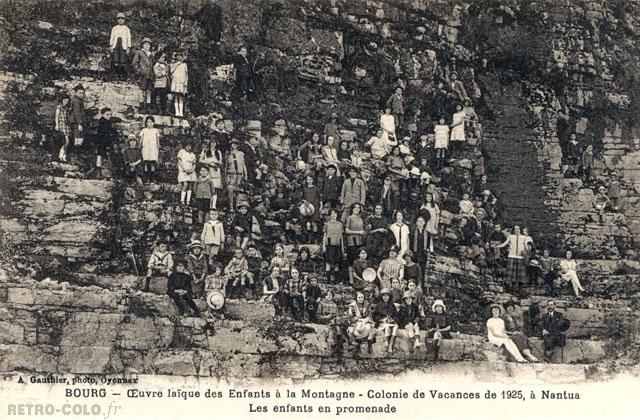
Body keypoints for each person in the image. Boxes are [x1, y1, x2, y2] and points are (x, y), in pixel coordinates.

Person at [496, 225, 532, 295]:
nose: (517, 230)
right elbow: (505, 244)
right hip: (512, 256)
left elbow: (527, 246)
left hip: (520, 257)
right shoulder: (511, 236)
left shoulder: (524, 237)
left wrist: (527, 250)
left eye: (518, 229)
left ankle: (519, 288)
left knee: (520, 274)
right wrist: (497, 246)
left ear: (520, 230)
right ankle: (512, 288)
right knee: (512, 274)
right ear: (514, 230)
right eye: (515, 229)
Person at [199, 140, 223, 210]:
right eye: (211, 142)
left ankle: (213, 205)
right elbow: (200, 160)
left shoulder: (218, 152)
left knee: (214, 189)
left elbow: (221, 162)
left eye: (214, 142)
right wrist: (209, 162)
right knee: (209, 188)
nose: (213, 144)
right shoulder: (205, 151)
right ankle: (208, 205)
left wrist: (216, 162)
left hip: (216, 170)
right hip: (208, 170)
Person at [373, 288, 399, 353]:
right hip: (382, 323)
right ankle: (389, 346)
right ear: (381, 297)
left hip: (390, 322)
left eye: (387, 296)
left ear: (389, 297)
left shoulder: (392, 305)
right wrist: (382, 319)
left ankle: (390, 345)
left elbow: (396, 315)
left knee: (396, 326)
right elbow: (374, 316)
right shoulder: (378, 306)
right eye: (384, 296)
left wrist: (392, 319)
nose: (385, 297)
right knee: (387, 327)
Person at [131, 38, 154, 112]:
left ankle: (148, 106)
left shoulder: (151, 55)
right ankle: (141, 106)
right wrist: (139, 71)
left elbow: (153, 65)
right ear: (142, 45)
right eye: (145, 44)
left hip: (150, 75)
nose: (147, 46)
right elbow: (135, 63)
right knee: (142, 90)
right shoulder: (139, 53)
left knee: (148, 91)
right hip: (142, 75)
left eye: (148, 44)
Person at [94, 107, 118, 178]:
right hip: (102, 141)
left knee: (101, 156)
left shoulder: (107, 122)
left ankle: (101, 173)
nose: (109, 116)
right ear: (102, 114)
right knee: (101, 156)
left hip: (104, 141)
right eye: (107, 114)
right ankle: (100, 173)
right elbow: (104, 133)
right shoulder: (102, 122)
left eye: (110, 114)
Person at [225, 139, 248, 209]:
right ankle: (231, 207)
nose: (234, 145)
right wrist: (225, 177)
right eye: (233, 143)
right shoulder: (228, 154)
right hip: (231, 174)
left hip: (239, 175)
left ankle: (237, 206)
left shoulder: (241, 153)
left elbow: (244, 165)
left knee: (239, 191)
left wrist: (246, 175)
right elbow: (225, 166)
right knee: (230, 190)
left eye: (236, 143)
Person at [323, 209, 344, 283]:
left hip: (337, 245)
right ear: (330, 215)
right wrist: (324, 246)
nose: (333, 215)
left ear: (337, 215)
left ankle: (335, 279)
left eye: (335, 213)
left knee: (336, 263)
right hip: (329, 244)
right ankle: (328, 279)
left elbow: (341, 236)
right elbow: (325, 235)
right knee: (328, 262)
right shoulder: (327, 224)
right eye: (332, 213)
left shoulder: (340, 224)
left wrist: (342, 247)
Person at [109, 12, 131, 80]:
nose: (120, 20)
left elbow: (129, 38)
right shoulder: (114, 28)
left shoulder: (126, 29)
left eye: (122, 19)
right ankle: (116, 75)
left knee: (122, 62)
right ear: (117, 20)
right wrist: (111, 46)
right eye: (119, 19)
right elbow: (112, 37)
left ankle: (123, 75)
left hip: (123, 47)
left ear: (124, 20)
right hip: (116, 46)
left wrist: (128, 47)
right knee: (115, 61)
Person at [140, 116, 160, 181]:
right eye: (148, 122)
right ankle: (146, 178)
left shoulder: (155, 130)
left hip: (153, 148)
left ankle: (152, 178)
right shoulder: (144, 130)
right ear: (146, 123)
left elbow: (157, 140)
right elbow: (141, 139)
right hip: (146, 148)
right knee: (145, 162)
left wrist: (158, 148)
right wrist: (140, 146)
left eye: (151, 122)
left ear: (153, 123)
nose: (149, 123)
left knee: (152, 162)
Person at [177, 141, 197, 206]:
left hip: (190, 171)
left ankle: (188, 201)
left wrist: (192, 170)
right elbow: (179, 161)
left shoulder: (192, 154)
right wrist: (184, 169)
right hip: (183, 171)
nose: (188, 147)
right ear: (185, 146)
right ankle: (182, 200)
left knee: (190, 186)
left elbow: (194, 164)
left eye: (190, 146)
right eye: (187, 145)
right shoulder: (181, 151)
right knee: (185, 184)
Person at [169, 51, 188, 117]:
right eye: (178, 56)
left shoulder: (184, 65)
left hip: (181, 82)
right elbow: (171, 71)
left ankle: (181, 112)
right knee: (176, 97)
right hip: (175, 82)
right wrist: (176, 64)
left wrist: (185, 83)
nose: (179, 57)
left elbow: (186, 74)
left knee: (181, 97)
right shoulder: (173, 64)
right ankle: (177, 111)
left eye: (180, 56)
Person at [68, 84, 86, 153]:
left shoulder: (78, 100)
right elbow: (77, 112)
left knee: (78, 137)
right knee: (78, 138)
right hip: (77, 122)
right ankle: (75, 155)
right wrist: (79, 123)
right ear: (75, 93)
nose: (81, 95)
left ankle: (76, 155)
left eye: (82, 93)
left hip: (78, 121)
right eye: (80, 93)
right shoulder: (76, 101)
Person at [54, 95, 71, 162]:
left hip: (67, 125)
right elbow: (56, 116)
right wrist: (57, 125)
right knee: (66, 141)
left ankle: (64, 156)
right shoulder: (59, 107)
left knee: (67, 142)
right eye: (65, 101)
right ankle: (61, 155)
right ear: (62, 101)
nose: (66, 102)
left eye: (67, 101)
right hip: (62, 124)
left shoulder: (66, 108)